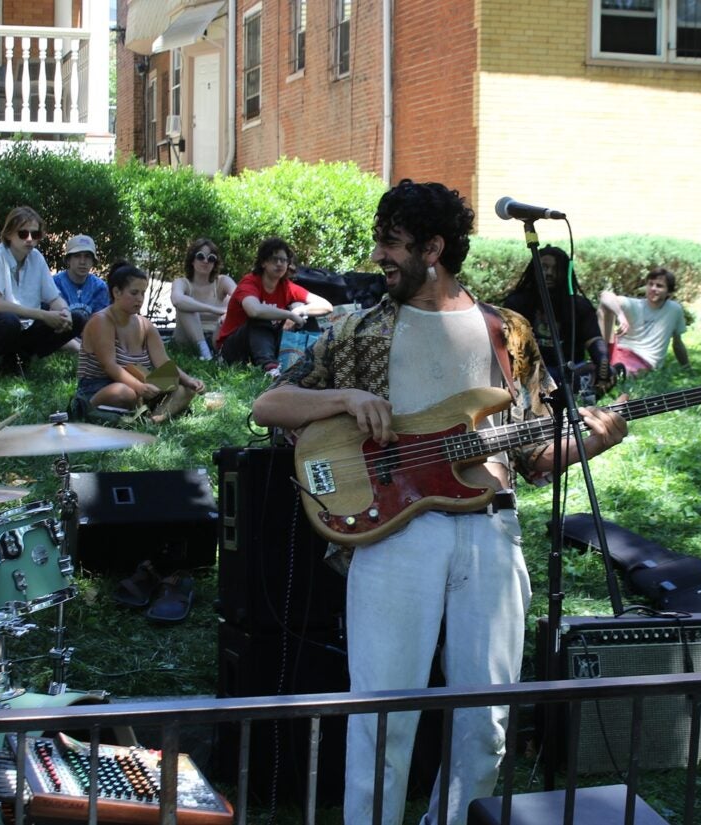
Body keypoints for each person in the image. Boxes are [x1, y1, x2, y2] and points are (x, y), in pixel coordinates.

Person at [251, 180, 628, 825]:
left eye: (391, 244)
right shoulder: (360, 329)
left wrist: (591, 443)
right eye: (379, 241)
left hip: (491, 533)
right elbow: (269, 404)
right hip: (397, 538)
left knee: (487, 727)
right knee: (382, 722)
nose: (378, 256)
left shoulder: (507, 333)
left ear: (435, 247)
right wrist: (344, 399)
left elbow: (534, 457)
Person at [0, 206, 87, 374]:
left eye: (35, 234)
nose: (29, 239)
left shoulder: (36, 258)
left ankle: (16, 360)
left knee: (77, 318)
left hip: (19, 326)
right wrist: (43, 315)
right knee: (8, 321)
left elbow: (54, 298)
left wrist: (64, 311)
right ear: (9, 234)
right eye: (23, 233)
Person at [75, 262, 203, 425]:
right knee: (126, 393)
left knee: (186, 389)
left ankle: (154, 419)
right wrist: (139, 387)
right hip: (99, 388)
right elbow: (110, 366)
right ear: (116, 292)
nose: (140, 299)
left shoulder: (145, 324)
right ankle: (100, 409)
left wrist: (189, 380)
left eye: (143, 293)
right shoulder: (101, 321)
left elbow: (163, 363)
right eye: (134, 293)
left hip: (139, 384)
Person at [501, 245, 613, 395]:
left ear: (565, 272)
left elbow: (594, 341)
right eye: (544, 267)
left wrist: (602, 362)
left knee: (601, 372)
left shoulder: (578, 306)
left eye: (556, 269)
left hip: (571, 371)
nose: (549, 274)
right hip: (532, 373)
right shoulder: (516, 303)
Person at [215, 238, 333, 372]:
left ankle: (315, 361)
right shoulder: (249, 283)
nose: (279, 264)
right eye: (274, 259)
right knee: (260, 319)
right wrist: (289, 315)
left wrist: (300, 311)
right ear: (264, 262)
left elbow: (326, 305)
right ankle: (271, 369)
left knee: (307, 314)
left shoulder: (287, 287)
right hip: (233, 350)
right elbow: (254, 310)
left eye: (283, 260)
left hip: (264, 345)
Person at [598, 268, 690, 374]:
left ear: (669, 292)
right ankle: (600, 358)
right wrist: (620, 315)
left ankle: (606, 372)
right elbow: (605, 296)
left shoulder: (674, 310)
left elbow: (677, 343)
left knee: (619, 373)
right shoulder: (635, 304)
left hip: (643, 359)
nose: (653, 288)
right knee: (604, 308)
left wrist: (687, 368)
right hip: (617, 351)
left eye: (659, 286)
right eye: (650, 284)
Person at [169, 238, 237, 361]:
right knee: (186, 306)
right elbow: (177, 300)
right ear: (192, 260)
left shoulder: (222, 281)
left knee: (233, 305)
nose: (205, 261)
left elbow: (242, 298)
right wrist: (214, 310)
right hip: (186, 340)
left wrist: (227, 312)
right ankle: (204, 351)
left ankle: (212, 353)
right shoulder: (182, 283)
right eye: (201, 256)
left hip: (215, 338)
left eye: (211, 258)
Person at [52, 234, 110, 354]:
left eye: (87, 257)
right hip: (61, 336)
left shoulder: (100, 287)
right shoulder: (54, 283)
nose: (83, 262)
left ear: (93, 261)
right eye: (77, 256)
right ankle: (81, 351)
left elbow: (101, 322)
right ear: (68, 259)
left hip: (90, 336)